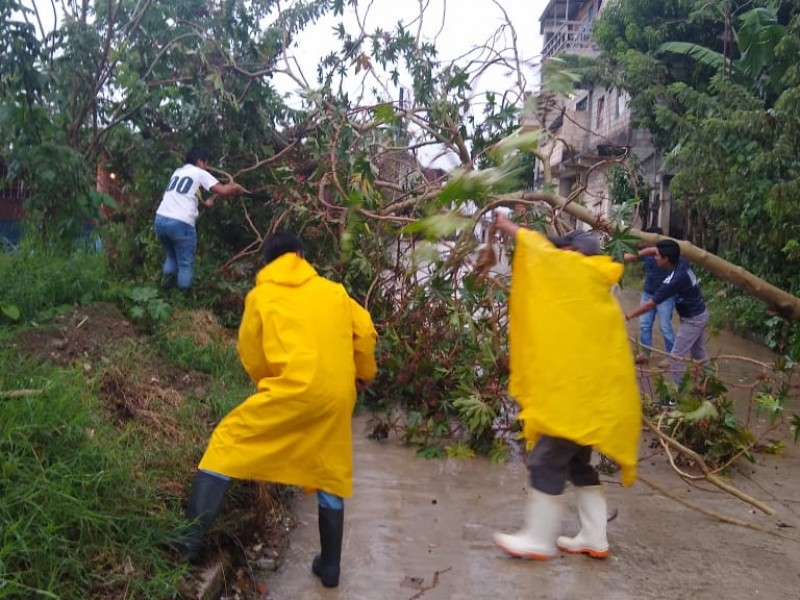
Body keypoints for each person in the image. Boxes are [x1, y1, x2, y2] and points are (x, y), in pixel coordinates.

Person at [172, 232, 378, 589]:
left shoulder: (261, 296)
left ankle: (188, 543)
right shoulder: (334, 291)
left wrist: (274, 385)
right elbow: (365, 332)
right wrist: (363, 376)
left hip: (293, 388)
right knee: (330, 471)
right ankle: (330, 567)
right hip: (337, 396)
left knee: (227, 441)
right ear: (300, 255)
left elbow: (252, 354)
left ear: (268, 262)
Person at [491, 214, 641, 561]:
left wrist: (506, 225)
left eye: (566, 251)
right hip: (596, 400)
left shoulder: (573, 272)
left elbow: (539, 250)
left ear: (573, 252)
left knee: (545, 459)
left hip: (573, 402)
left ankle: (538, 539)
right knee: (578, 465)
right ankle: (594, 536)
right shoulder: (597, 286)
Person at [154, 146, 247, 291]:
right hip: (181, 224)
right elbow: (223, 191)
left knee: (171, 256)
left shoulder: (178, 172)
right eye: (206, 163)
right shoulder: (199, 173)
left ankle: (165, 292)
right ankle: (183, 299)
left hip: (161, 220)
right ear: (199, 161)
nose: (206, 167)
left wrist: (205, 204)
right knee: (185, 263)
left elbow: (188, 194)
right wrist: (236, 189)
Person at [624, 239, 709, 396]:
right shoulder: (681, 261)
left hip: (693, 320)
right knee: (699, 353)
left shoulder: (674, 280)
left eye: (657, 256)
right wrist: (633, 256)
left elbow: (650, 305)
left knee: (676, 358)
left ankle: (679, 396)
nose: (654, 258)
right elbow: (652, 249)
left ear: (666, 259)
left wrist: (629, 315)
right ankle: (708, 387)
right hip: (699, 314)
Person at [623, 226, 675, 362]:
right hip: (648, 293)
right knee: (644, 325)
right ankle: (645, 354)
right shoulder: (646, 253)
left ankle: (672, 356)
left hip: (665, 296)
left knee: (665, 327)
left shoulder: (669, 253)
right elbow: (629, 257)